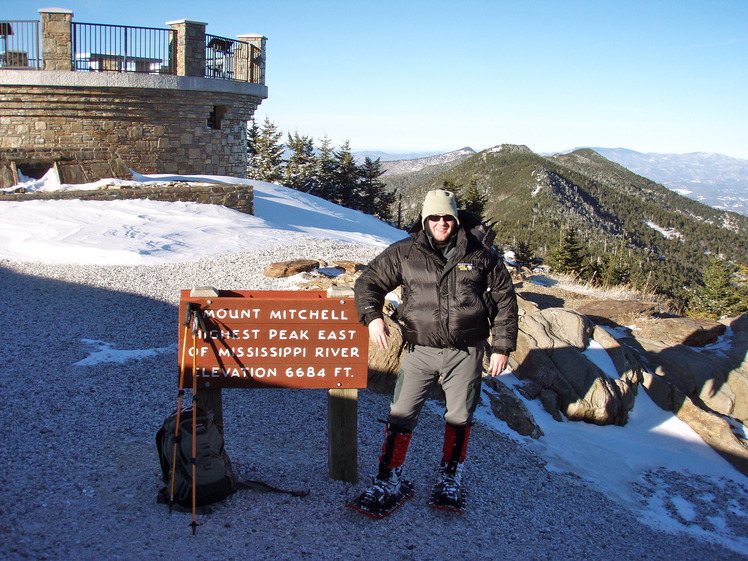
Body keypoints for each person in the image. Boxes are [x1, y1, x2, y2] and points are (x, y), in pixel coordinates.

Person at [352, 188, 518, 512]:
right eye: (434, 217)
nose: (441, 223)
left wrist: (502, 347)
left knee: (460, 416)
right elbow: (368, 282)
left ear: (455, 219)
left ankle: (450, 477)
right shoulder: (404, 252)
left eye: (447, 217)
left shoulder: (480, 253)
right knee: (400, 413)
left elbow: (504, 300)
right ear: (424, 219)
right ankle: (388, 477)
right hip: (419, 350)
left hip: (466, 351)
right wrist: (372, 317)